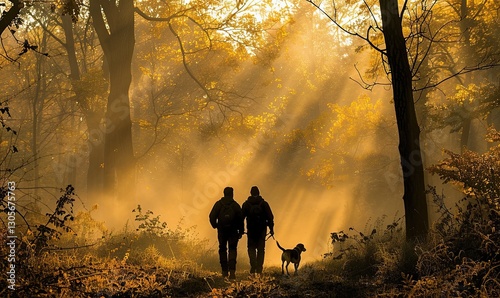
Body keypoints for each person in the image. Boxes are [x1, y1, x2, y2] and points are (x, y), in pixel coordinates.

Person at [209, 187, 244, 279]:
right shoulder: (235, 205)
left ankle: (224, 271)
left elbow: (212, 216)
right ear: (232, 194)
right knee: (232, 249)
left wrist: (215, 225)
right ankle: (232, 271)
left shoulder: (218, 204)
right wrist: (241, 231)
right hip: (233, 231)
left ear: (224, 193)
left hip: (222, 230)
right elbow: (240, 219)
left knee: (222, 249)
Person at [242, 186, 274, 274]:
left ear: (250, 193)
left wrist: (241, 230)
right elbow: (270, 217)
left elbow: (241, 218)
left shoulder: (246, 204)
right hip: (262, 230)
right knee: (261, 249)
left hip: (251, 230)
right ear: (259, 193)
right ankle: (259, 268)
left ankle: (253, 265)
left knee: (251, 248)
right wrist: (271, 229)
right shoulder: (264, 204)